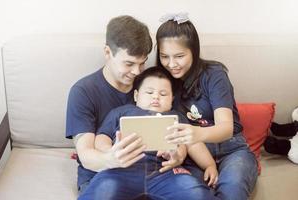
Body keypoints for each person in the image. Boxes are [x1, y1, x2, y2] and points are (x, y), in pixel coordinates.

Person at [155, 13, 258, 200]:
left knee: (232, 190)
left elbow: (226, 128)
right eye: (164, 56)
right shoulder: (162, 84)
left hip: (232, 149)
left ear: (193, 51)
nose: (171, 64)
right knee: (193, 193)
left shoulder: (214, 75)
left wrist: (196, 133)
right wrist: (178, 152)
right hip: (194, 156)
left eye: (179, 56)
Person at [78, 66, 218, 200]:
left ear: (172, 99)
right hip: (121, 169)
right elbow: (103, 136)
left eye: (163, 94)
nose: (156, 97)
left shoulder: (177, 117)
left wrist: (209, 165)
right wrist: (110, 152)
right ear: (136, 95)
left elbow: (193, 143)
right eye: (149, 92)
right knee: (102, 191)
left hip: (165, 171)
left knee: (197, 194)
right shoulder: (122, 112)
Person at [66, 15, 154, 195]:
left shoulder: (150, 86)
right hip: (103, 173)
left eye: (142, 63)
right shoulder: (83, 92)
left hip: (149, 172)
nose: (136, 72)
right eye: (129, 63)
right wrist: (112, 159)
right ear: (107, 52)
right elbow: (87, 155)